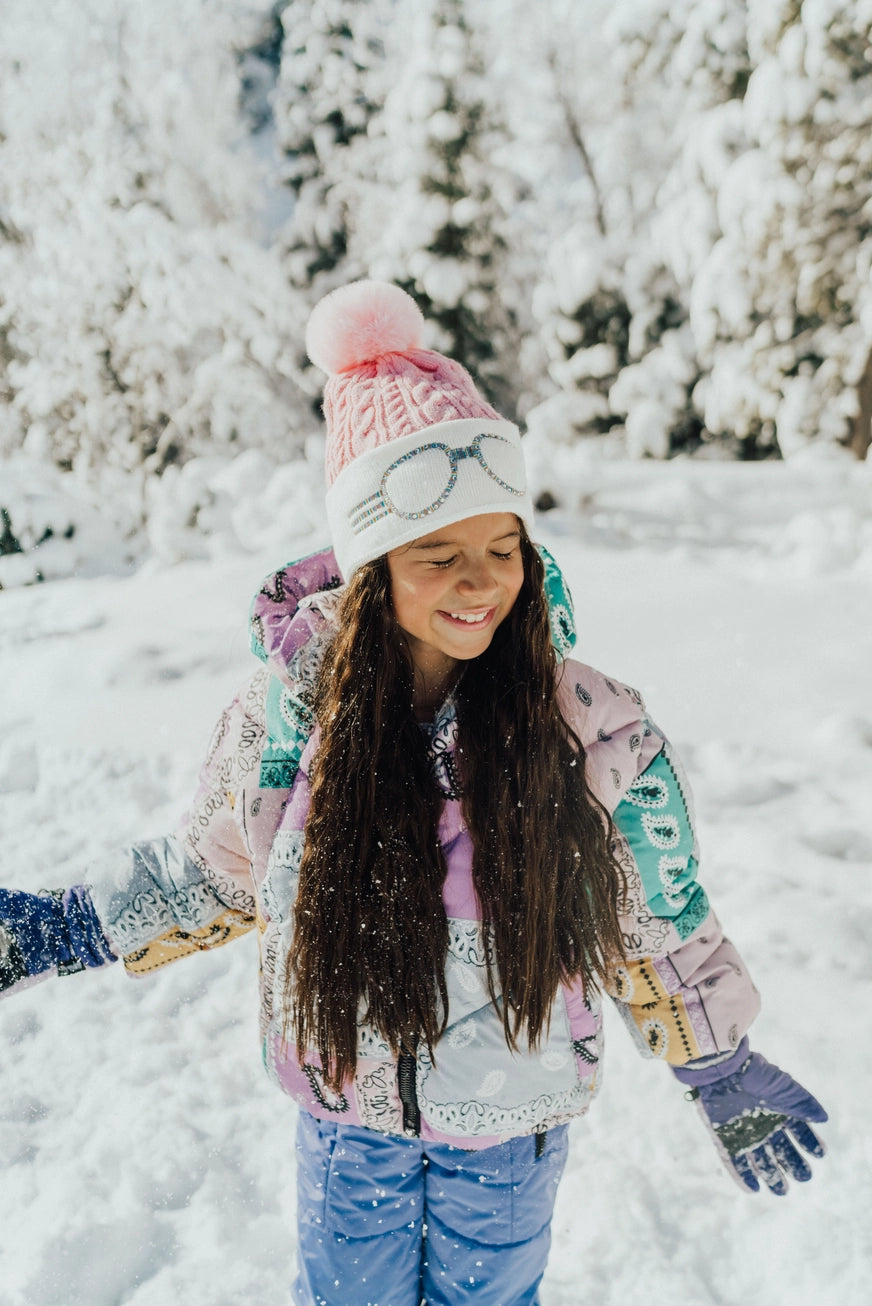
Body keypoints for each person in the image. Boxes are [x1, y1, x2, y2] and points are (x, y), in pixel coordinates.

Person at [0, 281, 827, 1306]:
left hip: (510, 1127)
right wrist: (69, 926)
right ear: (372, 566)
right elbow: (213, 871)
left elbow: (653, 915)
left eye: (502, 548)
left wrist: (717, 1063)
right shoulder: (291, 721)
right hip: (346, 1114)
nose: (479, 582)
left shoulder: (585, 728)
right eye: (438, 555)